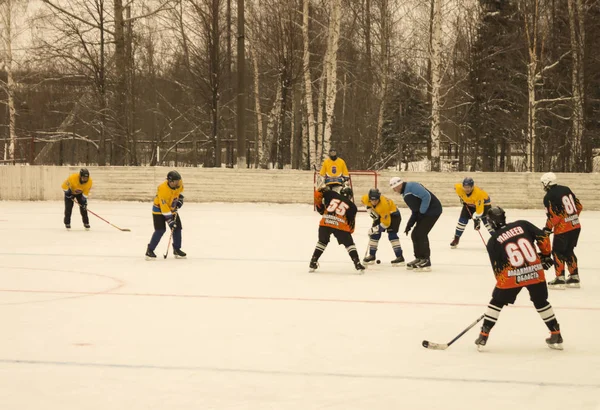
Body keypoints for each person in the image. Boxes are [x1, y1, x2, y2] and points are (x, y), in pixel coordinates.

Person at [474, 206, 563, 351]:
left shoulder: (493, 241)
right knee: (541, 302)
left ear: (490, 223)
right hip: (535, 271)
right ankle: (556, 333)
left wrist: (502, 290)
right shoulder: (523, 224)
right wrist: (546, 255)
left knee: (496, 303)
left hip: (512, 276)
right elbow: (543, 238)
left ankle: (484, 335)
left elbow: (498, 270)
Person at [389, 177, 442, 271]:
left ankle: (426, 260)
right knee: (415, 234)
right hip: (425, 212)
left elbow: (426, 196)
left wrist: (422, 212)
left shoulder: (412, 186)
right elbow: (415, 210)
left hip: (433, 210)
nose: (394, 190)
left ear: (400, 184)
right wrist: (410, 224)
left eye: (395, 187)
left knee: (421, 233)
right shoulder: (405, 194)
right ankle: (419, 258)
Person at [309, 185, 365, 273]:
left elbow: (317, 194)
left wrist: (320, 207)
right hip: (340, 224)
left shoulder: (331, 194)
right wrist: (347, 235)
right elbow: (351, 226)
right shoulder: (352, 207)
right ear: (350, 197)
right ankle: (357, 263)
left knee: (322, 242)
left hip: (325, 222)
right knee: (350, 244)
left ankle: (313, 261)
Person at [541, 172, 583, 289]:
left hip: (563, 229)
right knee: (569, 251)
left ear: (547, 183)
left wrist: (547, 228)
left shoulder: (549, 196)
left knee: (557, 252)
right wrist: (572, 218)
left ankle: (560, 278)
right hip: (575, 225)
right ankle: (574, 277)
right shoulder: (566, 189)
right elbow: (579, 206)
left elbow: (555, 215)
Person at [145, 171, 186, 260]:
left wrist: (180, 200)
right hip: (159, 210)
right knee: (160, 230)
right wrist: (170, 220)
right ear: (170, 181)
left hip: (171, 208)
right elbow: (164, 207)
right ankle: (150, 250)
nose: (178, 182)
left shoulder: (179, 183)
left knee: (177, 228)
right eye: (176, 181)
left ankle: (177, 249)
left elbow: (179, 193)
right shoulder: (163, 189)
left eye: (179, 180)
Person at [360, 188, 405, 266]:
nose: (374, 202)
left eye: (376, 200)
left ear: (379, 198)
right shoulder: (366, 198)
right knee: (375, 235)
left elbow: (386, 223)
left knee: (392, 235)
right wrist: (371, 211)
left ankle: (400, 257)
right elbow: (364, 203)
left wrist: (374, 229)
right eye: (372, 200)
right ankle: (372, 255)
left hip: (393, 215)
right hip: (380, 214)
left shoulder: (383, 205)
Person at [450, 177, 494, 248]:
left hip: (484, 205)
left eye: (469, 187)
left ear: (472, 186)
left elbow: (479, 211)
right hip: (470, 204)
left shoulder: (478, 194)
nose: (467, 189)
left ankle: (498, 240)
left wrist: (476, 220)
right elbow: (456, 187)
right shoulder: (459, 188)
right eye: (465, 187)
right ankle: (456, 239)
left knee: (487, 223)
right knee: (462, 221)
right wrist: (462, 199)